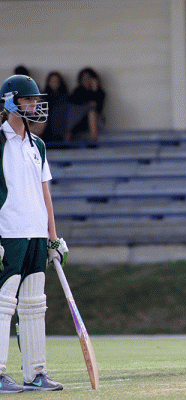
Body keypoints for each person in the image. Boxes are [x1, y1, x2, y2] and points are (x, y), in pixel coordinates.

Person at [0, 74, 69, 392]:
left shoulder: (37, 145)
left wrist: (53, 238)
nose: (33, 105)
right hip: (8, 233)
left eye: (34, 100)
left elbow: (46, 195)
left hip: (36, 235)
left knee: (34, 304)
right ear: (11, 101)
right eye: (27, 99)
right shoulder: (1, 142)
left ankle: (35, 373)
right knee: (4, 304)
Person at [66, 67, 105, 142]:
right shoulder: (77, 92)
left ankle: (93, 140)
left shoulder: (99, 92)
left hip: (94, 120)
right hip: (78, 120)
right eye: (84, 79)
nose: (86, 81)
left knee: (92, 112)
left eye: (88, 78)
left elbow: (97, 107)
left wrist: (95, 91)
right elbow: (75, 107)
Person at [41, 71, 70, 144]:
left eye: (56, 81)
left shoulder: (65, 98)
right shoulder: (43, 98)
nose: (54, 83)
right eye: (52, 81)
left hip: (62, 127)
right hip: (47, 129)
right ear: (48, 82)